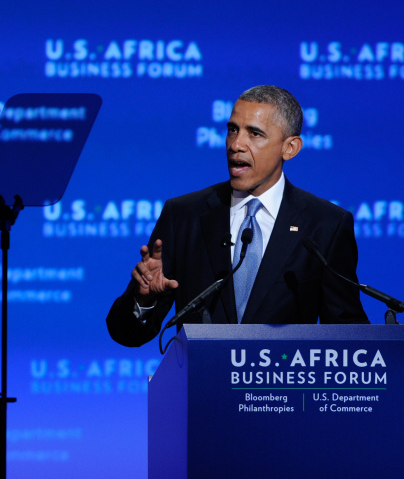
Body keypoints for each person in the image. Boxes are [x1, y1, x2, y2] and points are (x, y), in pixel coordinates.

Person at [106, 85, 369, 347]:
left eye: (254, 133)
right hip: (203, 384)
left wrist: (391, 349)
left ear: (290, 148)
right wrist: (144, 299)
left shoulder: (325, 225)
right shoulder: (184, 215)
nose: (236, 144)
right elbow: (127, 334)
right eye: (233, 129)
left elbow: (347, 331)